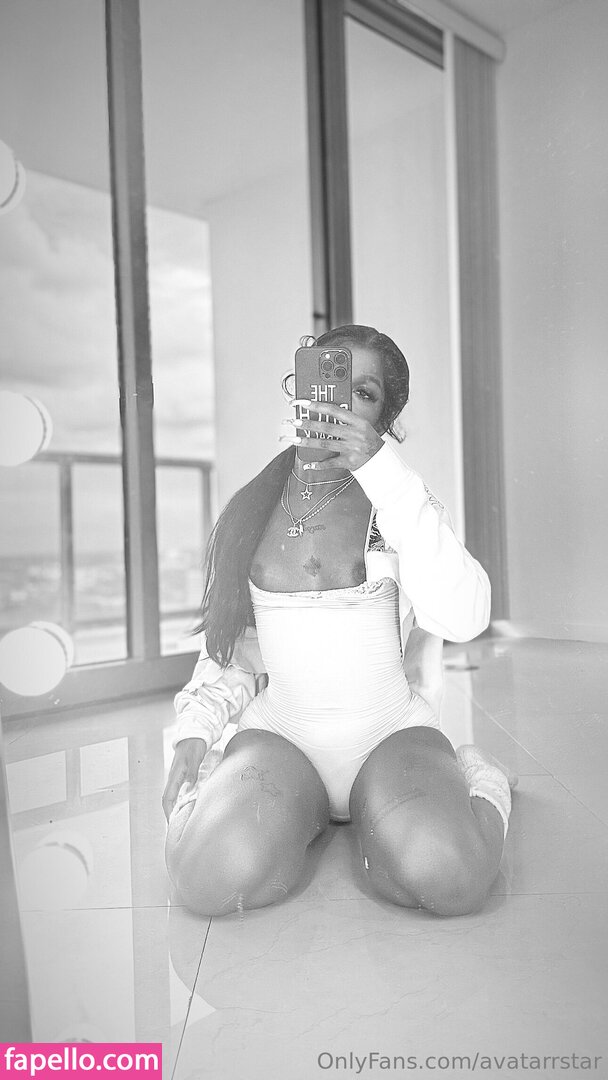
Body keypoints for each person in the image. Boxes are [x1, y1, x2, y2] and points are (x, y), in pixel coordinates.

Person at [163, 324, 515, 918]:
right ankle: (279, 812)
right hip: (280, 738)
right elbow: (234, 650)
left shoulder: (401, 505)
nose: (342, 403)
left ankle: (476, 774)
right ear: (300, 388)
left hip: (391, 735)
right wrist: (195, 732)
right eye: (330, 380)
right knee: (207, 882)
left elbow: (465, 617)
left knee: (450, 878)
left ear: (385, 420)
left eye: (365, 393)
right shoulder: (253, 507)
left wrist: (386, 473)